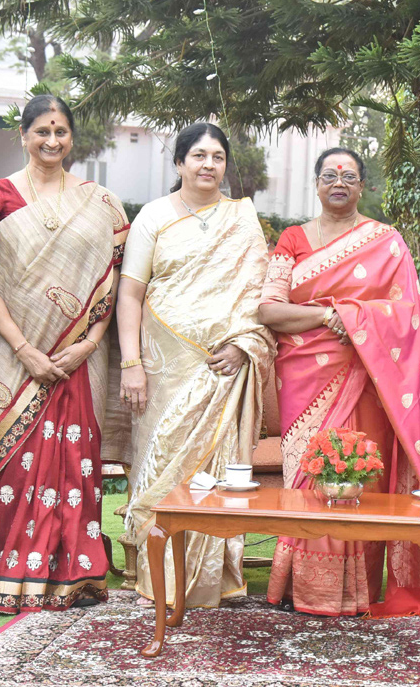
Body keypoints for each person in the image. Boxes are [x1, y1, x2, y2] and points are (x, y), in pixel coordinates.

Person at [0, 95, 129, 612]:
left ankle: (74, 574)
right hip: (13, 359)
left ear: (72, 137)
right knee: (10, 467)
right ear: (24, 135)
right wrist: (25, 348)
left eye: (60, 131)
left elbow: (114, 281)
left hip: (79, 359)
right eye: (41, 131)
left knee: (73, 464)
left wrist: (90, 341)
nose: (51, 141)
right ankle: (2, 575)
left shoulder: (101, 202)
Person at [259, 147, 420, 616]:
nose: (339, 182)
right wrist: (329, 315)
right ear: (316, 184)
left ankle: (357, 594)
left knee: (358, 480)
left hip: (368, 377)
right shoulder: (292, 239)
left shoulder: (385, 242)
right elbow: (270, 309)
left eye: (349, 176)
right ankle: (299, 590)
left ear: (361, 186)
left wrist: (352, 320)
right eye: (330, 175)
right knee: (308, 478)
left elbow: (406, 314)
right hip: (302, 377)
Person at [116, 123, 275, 607]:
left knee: (218, 468)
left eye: (218, 157)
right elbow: (131, 292)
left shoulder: (242, 219)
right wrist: (131, 364)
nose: (209, 165)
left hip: (225, 369)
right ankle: (155, 575)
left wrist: (244, 344)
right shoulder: (154, 216)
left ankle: (215, 579)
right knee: (160, 464)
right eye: (199, 155)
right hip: (164, 369)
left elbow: (257, 297)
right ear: (179, 163)